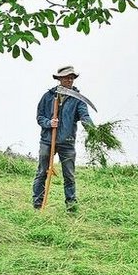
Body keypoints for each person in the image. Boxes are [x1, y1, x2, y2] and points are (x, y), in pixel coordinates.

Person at [32, 66, 95, 212]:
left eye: (72, 77)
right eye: (67, 77)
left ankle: (71, 207)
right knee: (42, 172)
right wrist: (49, 123)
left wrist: (92, 130)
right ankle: (37, 205)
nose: (70, 79)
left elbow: (84, 116)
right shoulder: (48, 96)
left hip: (67, 142)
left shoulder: (78, 99)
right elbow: (39, 117)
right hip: (47, 140)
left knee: (69, 175)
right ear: (59, 79)